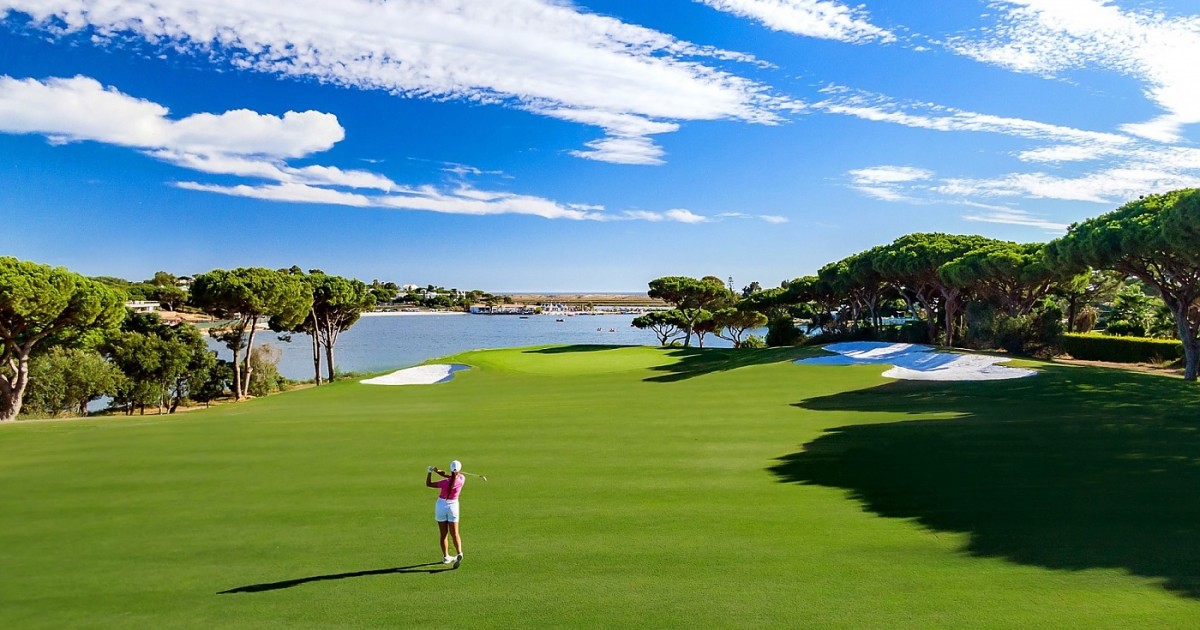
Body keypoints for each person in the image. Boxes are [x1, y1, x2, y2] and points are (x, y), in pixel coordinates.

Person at [426, 460, 466, 564]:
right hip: (453, 507)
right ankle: (459, 552)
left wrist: (430, 472)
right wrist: (437, 471)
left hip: (441, 506)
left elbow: (428, 484)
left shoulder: (445, 482)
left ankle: (446, 557)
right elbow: (450, 475)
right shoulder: (462, 479)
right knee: (455, 533)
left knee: (443, 534)